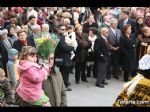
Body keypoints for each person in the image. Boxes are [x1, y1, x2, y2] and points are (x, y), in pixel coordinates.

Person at [55, 24, 74, 91]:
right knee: (64, 72)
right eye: (62, 29)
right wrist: (71, 47)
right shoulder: (59, 37)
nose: (64, 30)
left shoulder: (62, 36)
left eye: (64, 29)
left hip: (62, 57)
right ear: (58, 29)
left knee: (63, 72)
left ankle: (63, 85)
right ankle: (64, 86)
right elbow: (64, 47)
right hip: (62, 57)